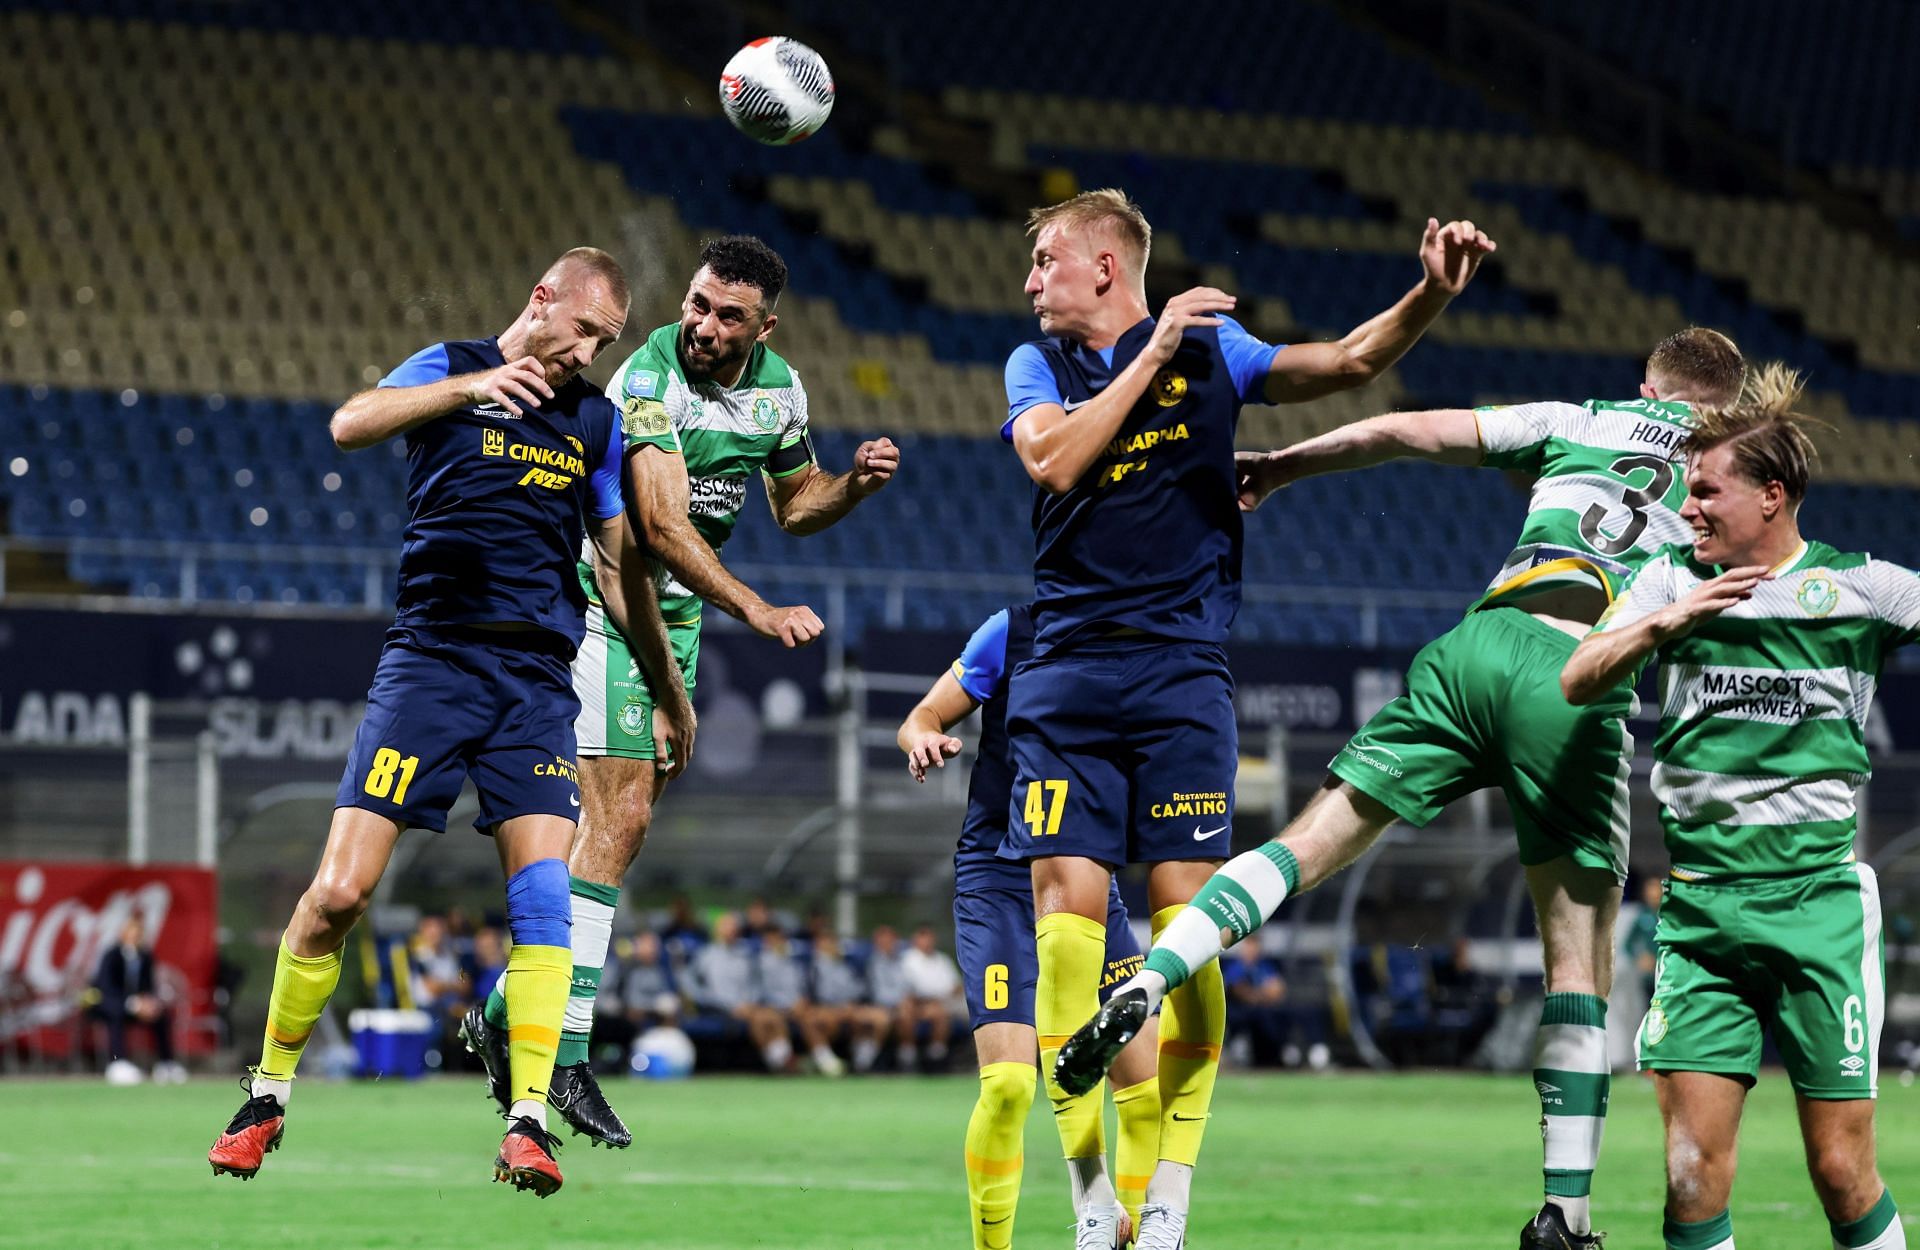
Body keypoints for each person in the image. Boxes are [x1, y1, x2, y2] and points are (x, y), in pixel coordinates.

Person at [1058, 326, 1747, 1248]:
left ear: (1644, 383)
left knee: (1307, 842)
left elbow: (1407, 429)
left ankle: (1154, 973)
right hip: (1582, 673)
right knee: (1577, 964)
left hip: (1477, 644)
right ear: (1723, 406)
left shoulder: (1578, 417)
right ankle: (1565, 1215)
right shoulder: (1722, 468)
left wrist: (1285, 467)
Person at [1005, 188, 1493, 1250]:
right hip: (1065, 678)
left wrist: (1428, 294)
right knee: (1064, 946)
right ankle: (1092, 1201)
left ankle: (1169, 1193)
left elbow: (1352, 363)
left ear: (1104, 265)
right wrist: (1153, 351)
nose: (1031, 279)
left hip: (1182, 676)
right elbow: (1052, 460)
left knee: (1190, 930)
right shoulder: (1034, 368)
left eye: (1046, 259)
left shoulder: (1218, 351)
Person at [207, 248, 688, 1198]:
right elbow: (350, 423)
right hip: (429, 667)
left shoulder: (591, 421)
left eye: (606, 341)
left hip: (535, 685)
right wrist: (473, 384)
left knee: (544, 904)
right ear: (540, 299)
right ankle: (266, 1096)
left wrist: (669, 688)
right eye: (584, 328)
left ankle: (526, 1122)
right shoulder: (450, 365)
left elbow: (620, 571)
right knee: (340, 893)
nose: (589, 353)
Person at [468, 235, 899, 1145]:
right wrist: (758, 607)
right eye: (697, 304)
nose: (701, 325)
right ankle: (564, 1057)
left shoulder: (780, 391)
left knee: (617, 832)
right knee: (613, 824)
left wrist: (852, 485)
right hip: (603, 604)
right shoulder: (648, 380)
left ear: (765, 326)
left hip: (679, 626)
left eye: (726, 315)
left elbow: (795, 503)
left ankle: (507, 1010)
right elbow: (658, 527)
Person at [1561, 365, 1910, 1250]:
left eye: (1709, 491)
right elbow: (1578, 676)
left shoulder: (1862, 589)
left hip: (1818, 909)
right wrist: (1661, 627)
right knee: (1689, 1177)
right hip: (1702, 914)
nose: (1691, 509)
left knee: (1839, 1170)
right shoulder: (1667, 583)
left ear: (1772, 496)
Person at [900, 601, 1162, 1248]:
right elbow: (921, 717)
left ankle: (1118, 1228)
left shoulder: (1152, 640)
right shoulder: (1012, 629)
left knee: (1144, 1089)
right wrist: (923, 737)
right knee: (1013, 1085)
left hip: (1087, 879)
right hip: (1001, 880)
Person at [91, 915, 185, 1085]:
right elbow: (106, 988)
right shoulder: (111, 955)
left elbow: (148, 986)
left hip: (137, 1006)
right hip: (109, 1004)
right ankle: (118, 1063)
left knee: (160, 1015)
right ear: (124, 934)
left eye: (138, 933)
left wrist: (148, 1003)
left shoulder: (145, 956)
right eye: (131, 933)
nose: (135, 937)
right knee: (116, 1013)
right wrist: (132, 1002)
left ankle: (166, 1063)